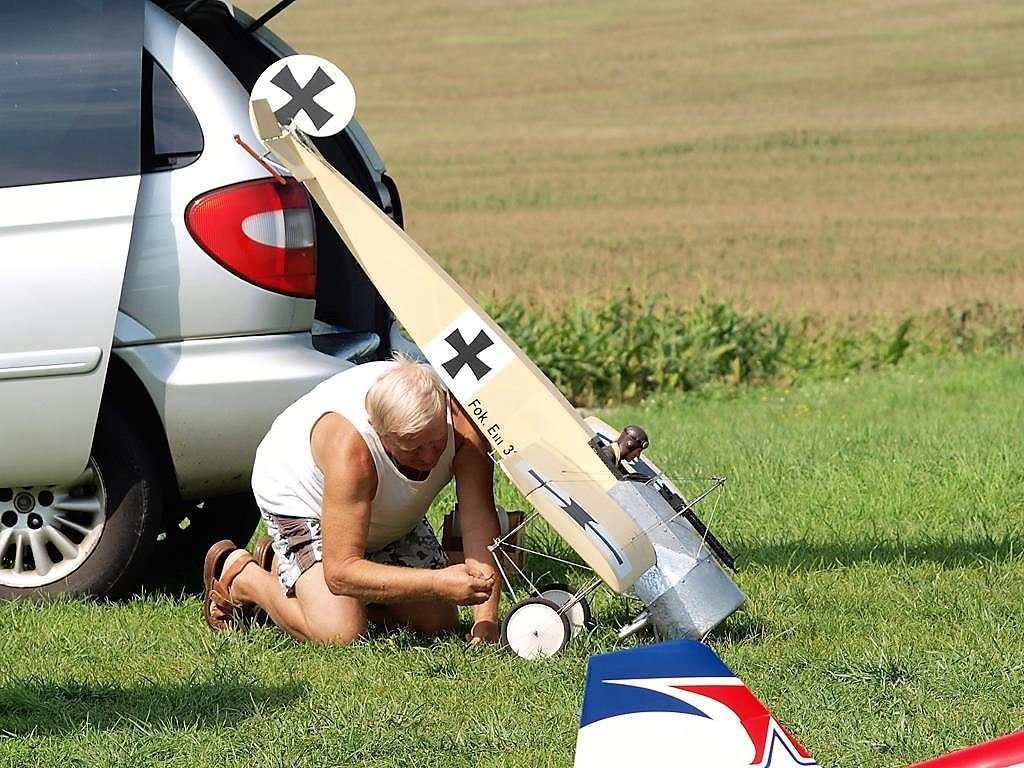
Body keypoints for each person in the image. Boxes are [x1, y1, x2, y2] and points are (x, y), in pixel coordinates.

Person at [202, 354, 502, 646]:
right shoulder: (351, 450)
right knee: (340, 632)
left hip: (381, 507)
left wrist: (486, 619)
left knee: (437, 622)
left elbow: (477, 519)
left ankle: (300, 579)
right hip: (303, 499)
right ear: (381, 435)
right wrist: (438, 583)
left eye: (436, 442)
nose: (428, 457)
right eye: (412, 448)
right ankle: (244, 578)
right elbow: (340, 572)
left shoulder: (462, 425)